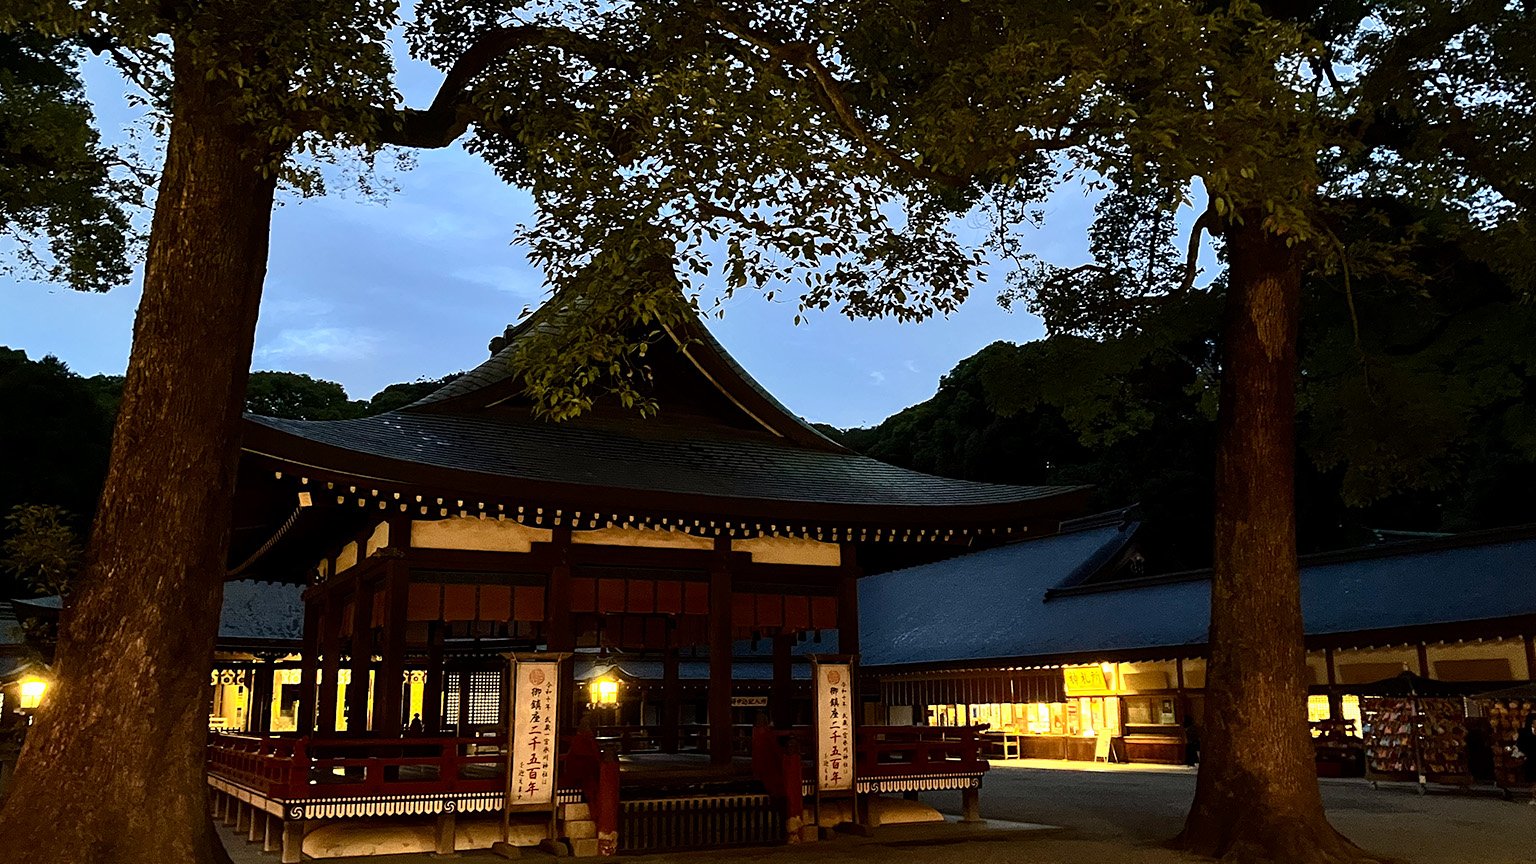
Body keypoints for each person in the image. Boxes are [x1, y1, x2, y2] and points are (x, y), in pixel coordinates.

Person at [1517, 713, 1536, 804]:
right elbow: (1521, 744)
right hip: (1532, 758)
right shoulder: (1525, 733)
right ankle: (1534, 797)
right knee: (1534, 780)